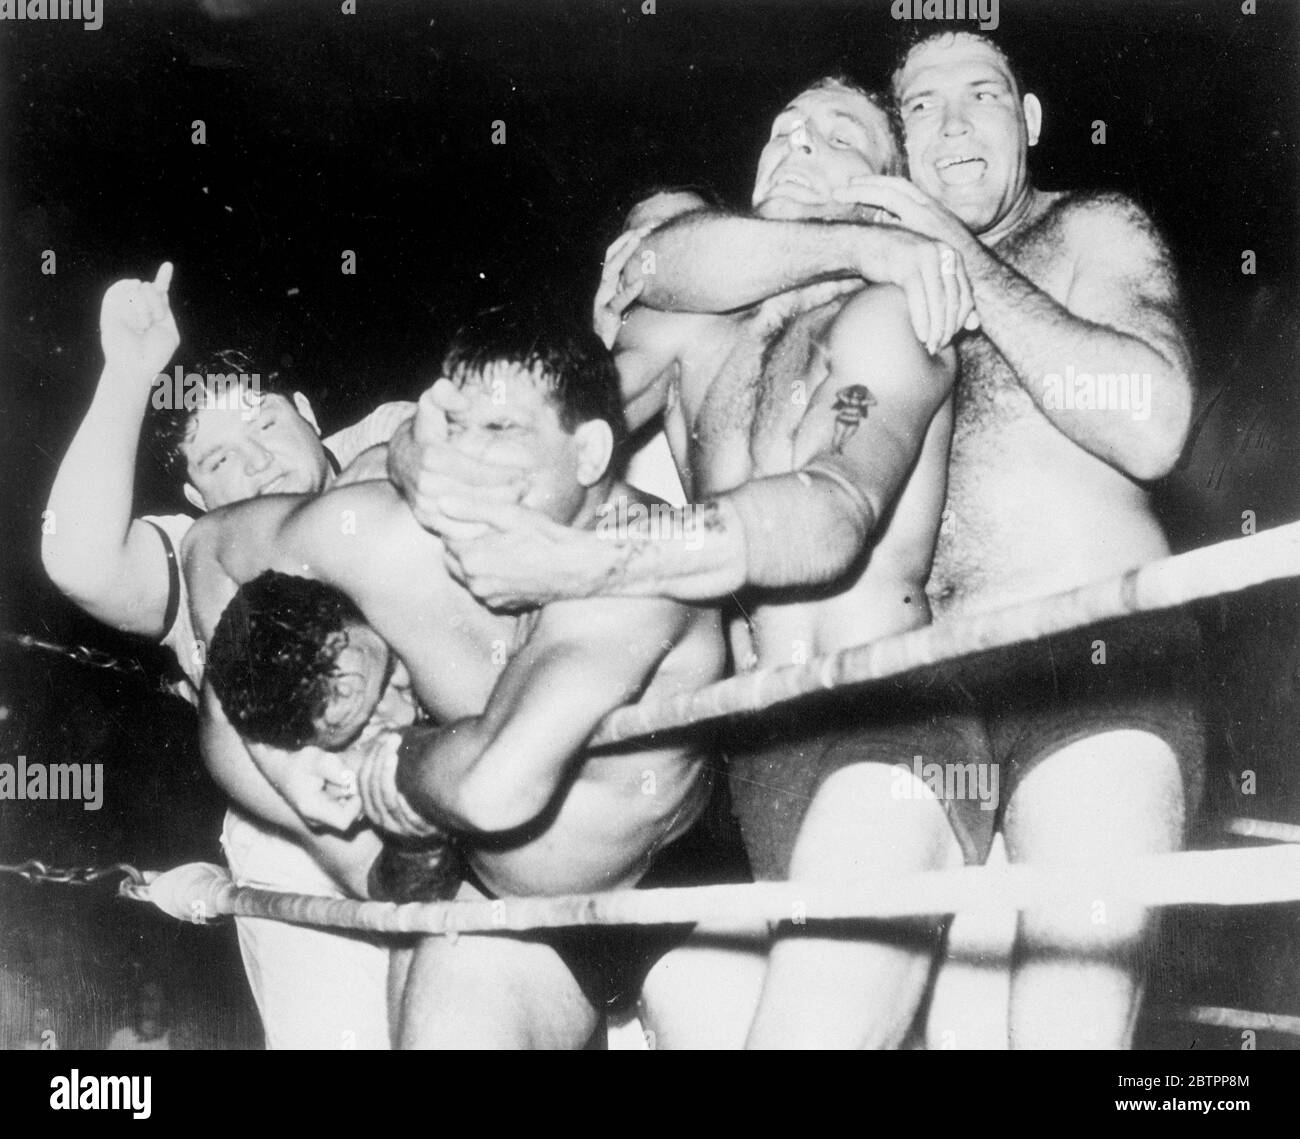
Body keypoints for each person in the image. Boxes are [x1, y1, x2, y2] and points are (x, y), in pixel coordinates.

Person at [569, 30, 1203, 1048]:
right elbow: (659, 264)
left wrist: (958, 261)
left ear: (1029, 121)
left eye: (981, 94)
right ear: (898, 157)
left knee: (1065, 1027)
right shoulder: (824, 293)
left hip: (1081, 675)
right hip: (917, 694)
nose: (953, 122)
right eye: (922, 105)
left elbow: (1153, 420)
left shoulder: (1088, 229)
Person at [386, 77, 982, 1049]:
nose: (797, 145)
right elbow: (548, 402)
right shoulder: (702, 335)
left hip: (885, 735)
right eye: (783, 129)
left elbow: (829, 515)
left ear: (889, 190)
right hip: (743, 769)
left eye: (838, 136)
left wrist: (593, 560)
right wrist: (424, 448)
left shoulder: (888, 318)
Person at [185, 309, 748, 1049]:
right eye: (457, 435)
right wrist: (302, 781)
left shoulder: (640, 565)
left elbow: (494, 782)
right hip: (504, 909)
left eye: (505, 438)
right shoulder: (382, 537)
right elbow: (208, 549)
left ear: (588, 455)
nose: (471, 473)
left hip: (679, 887)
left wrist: (393, 763)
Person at [41, 264, 414, 1048]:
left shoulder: (384, 437)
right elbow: (77, 556)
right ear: (199, 500)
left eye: (266, 426)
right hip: (301, 846)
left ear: (309, 413)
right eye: (217, 462)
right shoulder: (197, 546)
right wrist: (131, 375)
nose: (255, 466)